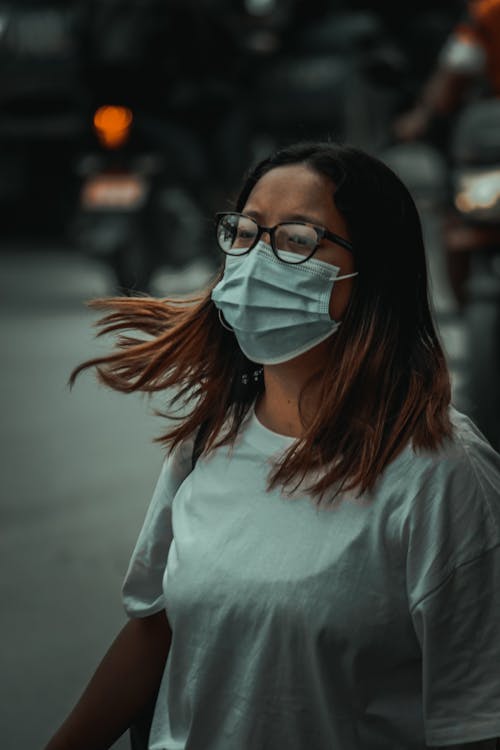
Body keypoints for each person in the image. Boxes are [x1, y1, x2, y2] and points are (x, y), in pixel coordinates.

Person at [43, 141, 500, 750]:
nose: (257, 261)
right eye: (247, 231)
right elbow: (157, 630)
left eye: (297, 240)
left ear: (373, 272)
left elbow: (474, 720)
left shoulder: (441, 473)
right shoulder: (213, 433)